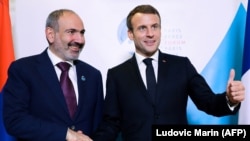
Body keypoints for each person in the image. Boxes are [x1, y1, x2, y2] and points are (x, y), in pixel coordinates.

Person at [93, 4, 245, 141]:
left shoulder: (181, 66)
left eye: (155, 26)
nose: (150, 33)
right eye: (142, 28)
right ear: (130, 34)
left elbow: (209, 102)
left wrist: (229, 100)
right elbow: (111, 123)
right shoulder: (117, 75)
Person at [2, 9, 104, 141]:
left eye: (82, 33)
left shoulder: (92, 75)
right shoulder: (23, 69)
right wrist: (66, 134)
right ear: (51, 34)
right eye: (71, 32)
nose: (80, 39)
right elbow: (15, 121)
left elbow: (99, 125)